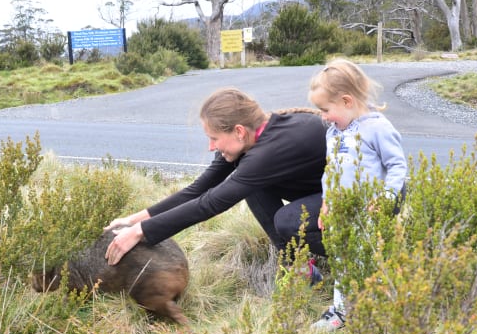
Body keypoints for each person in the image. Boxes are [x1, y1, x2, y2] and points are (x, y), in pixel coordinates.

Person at [104, 87, 328, 277]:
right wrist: (134, 221)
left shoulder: (269, 151)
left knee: (288, 221)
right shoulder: (252, 138)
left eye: (214, 138)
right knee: (249, 187)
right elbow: (198, 190)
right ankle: (299, 268)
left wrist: (140, 232)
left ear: (238, 131)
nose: (211, 147)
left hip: (344, 198)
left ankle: (347, 257)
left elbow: (210, 204)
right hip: (314, 192)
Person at [308, 58, 408, 331]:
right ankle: (343, 310)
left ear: (347, 101)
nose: (323, 116)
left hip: (368, 210)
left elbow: (397, 166)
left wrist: (387, 196)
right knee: (342, 258)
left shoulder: (377, 128)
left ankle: (368, 309)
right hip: (341, 211)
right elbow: (330, 170)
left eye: (326, 109)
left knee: (365, 259)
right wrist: (326, 202)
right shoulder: (334, 132)